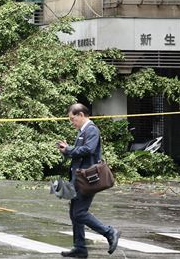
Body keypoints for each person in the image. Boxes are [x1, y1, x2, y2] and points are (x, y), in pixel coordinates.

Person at [57, 103, 121, 258]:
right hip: (78, 178)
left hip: (87, 179)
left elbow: (88, 150)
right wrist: (66, 150)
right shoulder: (82, 131)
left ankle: (109, 232)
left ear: (81, 115)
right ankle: (80, 247)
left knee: (79, 213)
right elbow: (79, 152)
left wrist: (69, 150)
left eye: (73, 119)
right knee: (74, 213)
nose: (72, 122)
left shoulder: (91, 129)